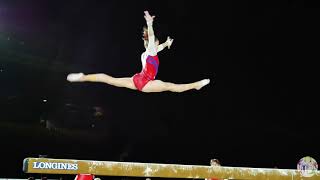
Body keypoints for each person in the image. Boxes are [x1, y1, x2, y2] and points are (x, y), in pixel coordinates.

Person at [67, 11, 210, 93]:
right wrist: (149, 24)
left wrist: (167, 44)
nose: (157, 43)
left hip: (136, 79)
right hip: (146, 82)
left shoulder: (147, 53)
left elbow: (158, 47)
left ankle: (83, 77)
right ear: (153, 43)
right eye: (156, 42)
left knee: (109, 79)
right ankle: (195, 85)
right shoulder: (151, 50)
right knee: (170, 86)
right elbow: (153, 39)